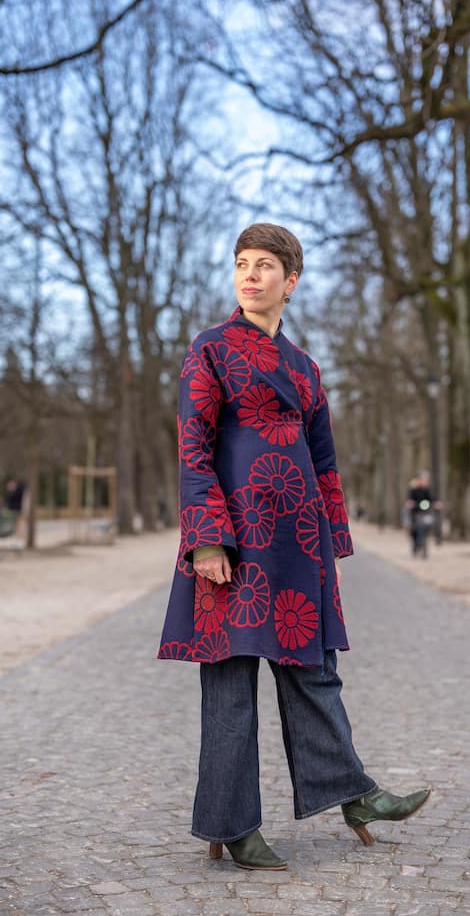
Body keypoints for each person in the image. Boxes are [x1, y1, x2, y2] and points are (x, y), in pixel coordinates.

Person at [158, 223, 430, 871]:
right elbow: (192, 445)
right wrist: (203, 540)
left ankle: (354, 794)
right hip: (231, 536)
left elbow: (324, 459)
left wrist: (330, 541)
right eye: (241, 264)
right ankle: (232, 824)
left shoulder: (305, 369)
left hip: (294, 539)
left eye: (264, 266)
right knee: (229, 679)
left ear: (290, 280)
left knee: (314, 673)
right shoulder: (210, 350)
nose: (250, 275)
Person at [406, 471, 436, 558]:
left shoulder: (427, 490)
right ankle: (416, 545)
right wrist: (410, 503)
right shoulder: (413, 490)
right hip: (415, 513)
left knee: (426, 527)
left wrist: (436, 504)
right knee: (414, 530)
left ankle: (423, 546)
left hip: (425, 512)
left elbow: (432, 499)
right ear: (418, 480)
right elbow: (409, 500)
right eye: (422, 479)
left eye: (425, 480)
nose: (423, 481)